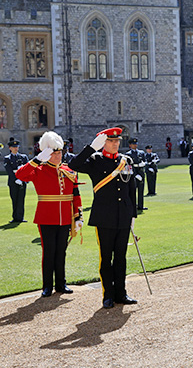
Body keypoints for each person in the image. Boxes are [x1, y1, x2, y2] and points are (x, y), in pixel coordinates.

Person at [69, 127, 138, 309]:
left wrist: (133, 215)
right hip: (104, 217)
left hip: (123, 216)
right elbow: (73, 165)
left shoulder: (126, 160)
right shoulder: (94, 160)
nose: (115, 144)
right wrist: (92, 148)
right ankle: (108, 295)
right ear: (103, 143)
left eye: (117, 141)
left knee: (121, 257)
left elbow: (132, 190)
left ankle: (121, 293)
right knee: (106, 258)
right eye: (111, 141)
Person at [15, 131, 82, 297]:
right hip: (46, 217)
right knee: (49, 251)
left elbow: (76, 195)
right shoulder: (38, 169)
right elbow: (20, 175)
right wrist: (38, 159)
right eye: (54, 153)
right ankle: (47, 286)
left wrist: (78, 216)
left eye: (59, 153)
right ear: (46, 154)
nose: (58, 156)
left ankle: (61, 284)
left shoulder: (68, 170)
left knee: (61, 251)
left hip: (65, 217)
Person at [4, 139, 29, 223]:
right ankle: (15, 217)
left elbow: (28, 169)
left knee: (21, 199)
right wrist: (16, 179)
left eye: (17, 147)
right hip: (13, 182)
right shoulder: (7, 158)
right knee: (14, 199)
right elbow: (9, 170)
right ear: (10, 148)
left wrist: (22, 179)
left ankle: (20, 217)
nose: (16, 148)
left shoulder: (23, 157)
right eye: (13, 147)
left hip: (22, 181)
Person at [126, 138, 147, 211]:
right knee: (133, 191)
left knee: (141, 190)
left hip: (141, 172)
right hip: (133, 174)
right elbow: (128, 166)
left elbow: (145, 161)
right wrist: (135, 175)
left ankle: (141, 206)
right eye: (133, 144)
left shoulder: (141, 152)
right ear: (130, 145)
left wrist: (144, 164)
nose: (135, 145)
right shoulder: (128, 154)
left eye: (136, 144)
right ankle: (133, 206)